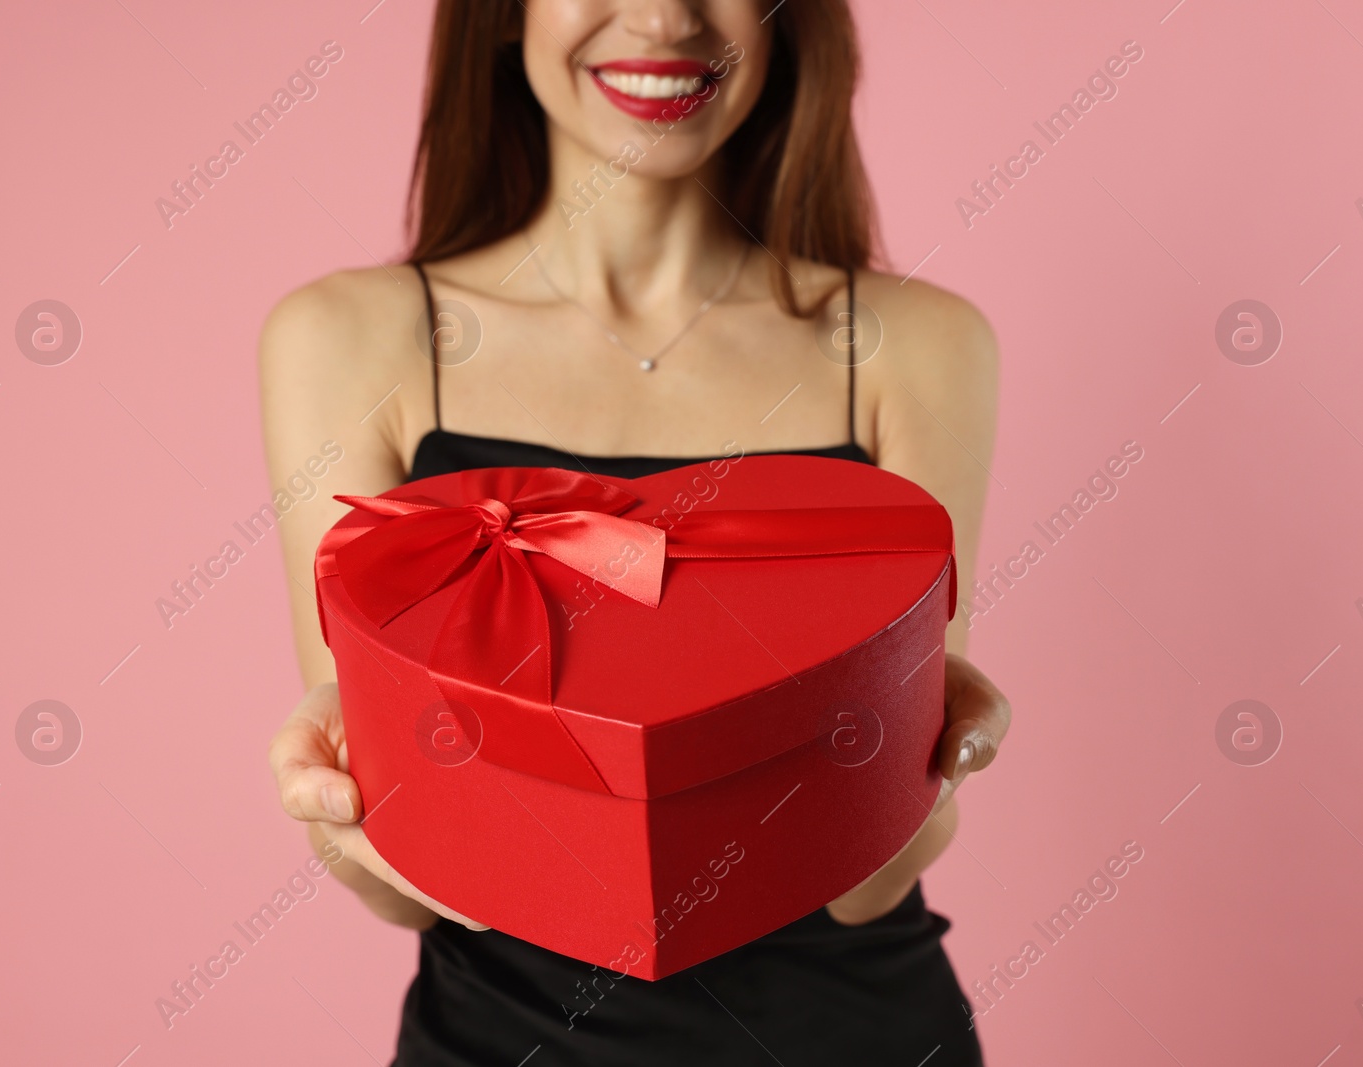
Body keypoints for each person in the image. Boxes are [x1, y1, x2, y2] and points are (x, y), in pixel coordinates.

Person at [261, 1, 1012, 1062]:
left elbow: (868, 881)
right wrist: (335, 820)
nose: (664, 17)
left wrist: (933, 769)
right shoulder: (351, 340)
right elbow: (413, 882)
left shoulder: (915, 347)